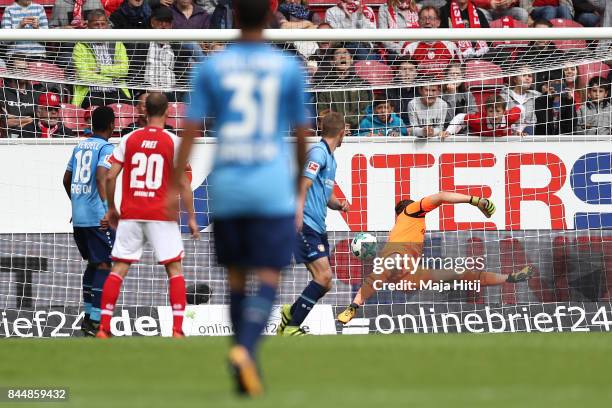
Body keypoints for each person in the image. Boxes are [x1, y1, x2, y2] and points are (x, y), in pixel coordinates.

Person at [173, 0, 309, 396]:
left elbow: (190, 130)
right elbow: (302, 135)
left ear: (232, 18)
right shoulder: (286, 68)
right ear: (270, 18)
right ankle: (246, 351)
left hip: (228, 185)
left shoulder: (212, 67)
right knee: (268, 275)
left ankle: (238, 350)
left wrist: (171, 188)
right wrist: (298, 185)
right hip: (270, 185)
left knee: (236, 278)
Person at [337, 192, 534, 324]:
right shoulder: (410, 211)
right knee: (464, 274)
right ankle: (353, 307)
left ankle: (510, 278)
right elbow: (440, 196)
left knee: (463, 274)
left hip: (407, 277)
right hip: (403, 270)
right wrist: (474, 200)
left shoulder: (399, 229)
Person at [96, 93, 199, 340]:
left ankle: (103, 327)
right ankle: (176, 330)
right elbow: (184, 184)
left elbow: (110, 177)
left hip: (131, 213)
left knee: (118, 268)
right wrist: (192, 218)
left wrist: (112, 208)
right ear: (167, 112)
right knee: (174, 269)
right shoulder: (173, 142)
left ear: (144, 112)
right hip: (161, 214)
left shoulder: (129, 139)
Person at [277, 112, 349, 336]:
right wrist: (297, 214)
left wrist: (338, 205)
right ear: (341, 132)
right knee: (324, 277)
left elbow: (324, 193)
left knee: (325, 283)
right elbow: (303, 183)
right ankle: (291, 328)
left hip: (317, 226)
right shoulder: (318, 153)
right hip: (304, 223)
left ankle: (291, 312)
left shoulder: (331, 158)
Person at [62, 106, 116, 336]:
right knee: (104, 265)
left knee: (93, 265)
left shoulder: (80, 146)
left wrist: (76, 202)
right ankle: (95, 321)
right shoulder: (106, 148)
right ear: (112, 125)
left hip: (79, 218)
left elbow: (65, 179)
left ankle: (88, 317)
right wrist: (107, 210)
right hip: (96, 218)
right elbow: (101, 175)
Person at [71, 10, 131, 108]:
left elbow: (124, 70)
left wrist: (100, 70)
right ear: (88, 26)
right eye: (96, 25)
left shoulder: (117, 44)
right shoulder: (80, 46)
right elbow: (83, 75)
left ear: (107, 25)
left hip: (115, 90)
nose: (100, 28)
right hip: (91, 91)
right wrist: (111, 79)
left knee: (124, 109)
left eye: (103, 24)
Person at [315, 46, 372, 132]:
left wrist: (351, 124)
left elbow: (365, 110)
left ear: (352, 60)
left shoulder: (361, 84)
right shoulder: (324, 86)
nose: (342, 56)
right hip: (333, 131)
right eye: (338, 54)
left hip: (359, 130)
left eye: (345, 53)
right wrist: (340, 126)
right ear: (332, 61)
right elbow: (322, 112)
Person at [402, 7, 461, 78]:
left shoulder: (451, 45)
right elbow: (403, 74)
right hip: (420, 87)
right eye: (423, 19)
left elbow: (460, 70)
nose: (427, 22)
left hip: (445, 87)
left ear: (438, 22)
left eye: (431, 18)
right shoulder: (410, 47)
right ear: (418, 22)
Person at [444, 94, 524, 137]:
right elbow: (460, 117)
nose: (494, 115)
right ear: (486, 111)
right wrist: (448, 131)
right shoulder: (479, 120)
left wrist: (519, 130)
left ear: (504, 111)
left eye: (498, 111)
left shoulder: (510, 116)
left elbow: (521, 108)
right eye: (491, 111)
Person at [500, 64, 540, 135]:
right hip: (508, 138)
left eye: (530, 76)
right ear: (515, 79)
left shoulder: (535, 96)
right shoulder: (504, 97)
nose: (527, 78)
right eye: (523, 75)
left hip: (529, 138)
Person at [534, 69, 576, 135]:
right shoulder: (539, 101)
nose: (557, 84)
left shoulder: (567, 100)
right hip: (544, 140)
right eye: (554, 82)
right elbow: (542, 124)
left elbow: (573, 123)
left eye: (560, 81)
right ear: (547, 84)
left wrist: (570, 100)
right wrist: (548, 98)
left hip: (563, 140)